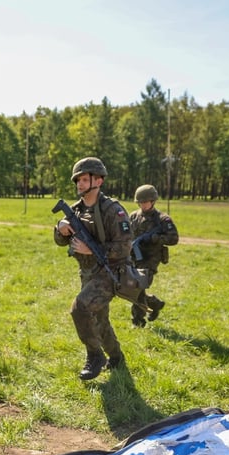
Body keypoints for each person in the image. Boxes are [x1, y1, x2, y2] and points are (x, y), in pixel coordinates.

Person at [54, 157, 132, 381]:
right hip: (87, 274)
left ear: (98, 180)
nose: (79, 184)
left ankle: (95, 355)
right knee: (99, 319)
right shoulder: (76, 210)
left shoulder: (112, 210)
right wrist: (61, 229)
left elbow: (125, 246)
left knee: (80, 309)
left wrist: (92, 250)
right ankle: (116, 357)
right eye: (77, 180)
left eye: (84, 179)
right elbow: (60, 241)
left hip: (110, 273)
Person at [128, 185, 179, 327]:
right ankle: (155, 304)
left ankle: (138, 321)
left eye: (145, 202)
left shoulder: (162, 220)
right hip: (133, 257)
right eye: (140, 202)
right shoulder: (133, 216)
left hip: (150, 259)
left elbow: (174, 239)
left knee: (137, 287)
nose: (143, 205)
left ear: (153, 201)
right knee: (130, 287)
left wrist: (156, 238)